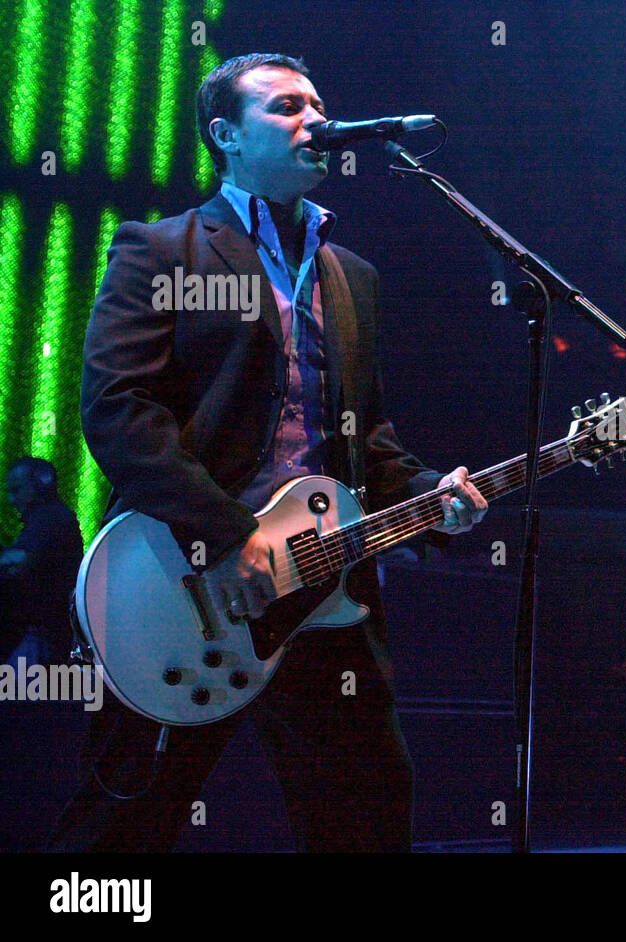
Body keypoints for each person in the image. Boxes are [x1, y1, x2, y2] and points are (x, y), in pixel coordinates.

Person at [48, 53, 487, 853]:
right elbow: (117, 410)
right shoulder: (162, 249)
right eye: (286, 106)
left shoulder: (351, 276)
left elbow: (367, 442)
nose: (314, 119)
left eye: (318, 103)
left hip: (324, 594)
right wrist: (227, 533)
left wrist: (432, 493)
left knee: (367, 824)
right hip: (182, 588)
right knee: (119, 830)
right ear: (227, 135)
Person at [1, 457, 84, 666]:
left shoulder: (51, 517)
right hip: (43, 630)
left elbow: (19, 561)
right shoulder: (48, 518)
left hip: (44, 634)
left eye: (17, 489)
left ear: (41, 483)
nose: (11, 499)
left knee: (15, 692)